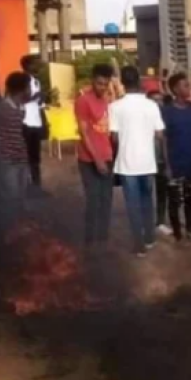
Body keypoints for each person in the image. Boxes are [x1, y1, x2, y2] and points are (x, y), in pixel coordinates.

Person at [110, 66, 165, 257]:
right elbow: (159, 134)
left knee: (132, 204)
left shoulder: (115, 107)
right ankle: (150, 238)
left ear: (123, 83)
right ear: (139, 82)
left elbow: (114, 138)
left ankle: (139, 244)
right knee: (147, 201)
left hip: (126, 164)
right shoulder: (151, 105)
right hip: (148, 163)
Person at [75, 63, 115, 245]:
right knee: (93, 199)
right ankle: (90, 239)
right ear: (92, 81)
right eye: (99, 83)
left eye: (105, 84)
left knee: (106, 199)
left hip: (107, 156)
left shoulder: (106, 100)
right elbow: (83, 133)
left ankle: (103, 237)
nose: (103, 87)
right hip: (89, 159)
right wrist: (97, 159)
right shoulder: (83, 101)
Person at [161, 73, 191, 241]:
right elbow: (163, 139)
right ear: (176, 89)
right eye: (185, 85)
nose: (189, 88)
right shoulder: (167, 112)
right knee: (174, 200)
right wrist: (167, 164)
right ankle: (178, 231)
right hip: (175, 162)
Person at [0, 72, 32, 205]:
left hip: (21, 160)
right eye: (29, 87)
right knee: (10, 200)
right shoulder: (2, 109)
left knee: (21, 199)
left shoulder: (21, 108)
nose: (31, 90)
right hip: (7, 163)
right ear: (22, 89)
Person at [19, 54, 48, 189]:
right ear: (27, 65)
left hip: (35, 123)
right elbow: (18, 100)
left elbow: (39, 104)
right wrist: (34, 97)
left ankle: (37, 186)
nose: (38, 66)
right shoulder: (21, 80)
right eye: (35, 63)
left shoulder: (36, 81)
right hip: (25, 123)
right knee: (25, 156)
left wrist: (42, 100)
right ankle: (26, 185)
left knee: (35, 157)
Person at [147, 89, 172, 236]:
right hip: (147, 162)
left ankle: (161, 222)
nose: (157, 103)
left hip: (162, 161)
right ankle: (147, 222)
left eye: (159, 100)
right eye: (153, 100)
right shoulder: (143, 119)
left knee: (163, 193)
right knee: (147, 194)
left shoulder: (166, 119)